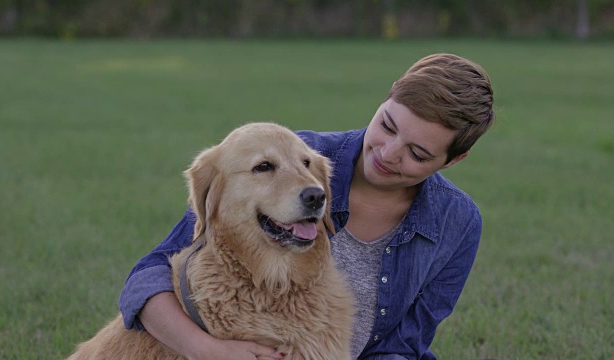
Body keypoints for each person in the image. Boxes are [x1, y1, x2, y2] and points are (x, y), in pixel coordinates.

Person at [118, 53, 495, 360]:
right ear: (386, 98)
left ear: (451, 161)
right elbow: (146, 278)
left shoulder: (457, 223)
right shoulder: (290, 156)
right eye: (388, 125)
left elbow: (403, 346)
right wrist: (207, 349)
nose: (387, 153)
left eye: (417, 153)